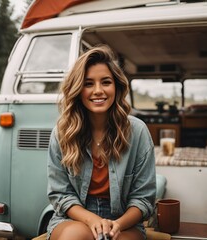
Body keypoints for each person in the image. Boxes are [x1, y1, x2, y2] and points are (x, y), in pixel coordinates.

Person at [47, 45, 156, 240]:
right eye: (88, 84)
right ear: (78, 89)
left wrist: (116, 225)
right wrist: (91, 220)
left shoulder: (138, 131)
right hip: (75, 217)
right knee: (73, 236)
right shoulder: (62, 133)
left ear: (117, 86)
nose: (98, 91)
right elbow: (60, 194)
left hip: (124, 220)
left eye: (106, 82)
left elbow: (143, 199)